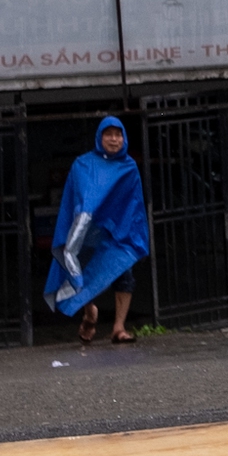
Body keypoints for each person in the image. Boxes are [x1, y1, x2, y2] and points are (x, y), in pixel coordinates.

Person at [44, 117, 151, 344]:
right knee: (81, 271)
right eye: (108, 134)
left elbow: (133, 205)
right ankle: (89, 311)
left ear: (124, 138)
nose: (114, 139)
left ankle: (119, 328)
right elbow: (78, 199)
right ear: (99, 137)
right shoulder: (83, 165)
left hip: (117, 233)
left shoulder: (129, 167)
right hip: (86, 234)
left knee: (125, 275)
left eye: (118, 134)